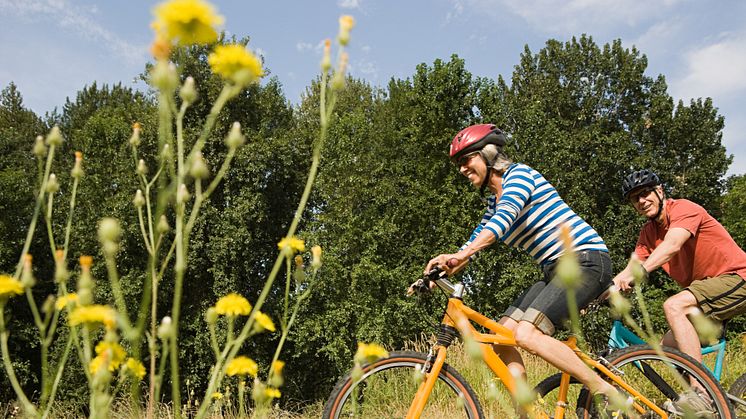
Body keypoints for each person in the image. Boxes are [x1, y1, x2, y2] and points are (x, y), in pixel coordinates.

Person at [423, 123, 618, 400]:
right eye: (459, 164)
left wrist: (462, 255)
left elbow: (504, 220)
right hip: (554, 270)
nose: (462, 169)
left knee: (527, 335)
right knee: (502, 338)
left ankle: (605, 391)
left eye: (466, 160)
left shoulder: (520, 176)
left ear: (488, 154)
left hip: (584, 260)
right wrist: (442, 266)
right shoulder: (493, 203)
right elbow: (475, 241)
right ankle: (527, 407)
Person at [613, 169, 746, 365]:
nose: (641, 201)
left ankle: (699, 390)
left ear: (659, 191)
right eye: (635, 199)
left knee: (674, 305)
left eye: (645, 193)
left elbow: (672, 245)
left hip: (737, 278)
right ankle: (707, 394)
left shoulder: (683, 209)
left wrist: (642, 272)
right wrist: (594, 294)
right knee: (668, 349)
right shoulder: (648, 232)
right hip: (708, 293)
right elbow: (630, 269)